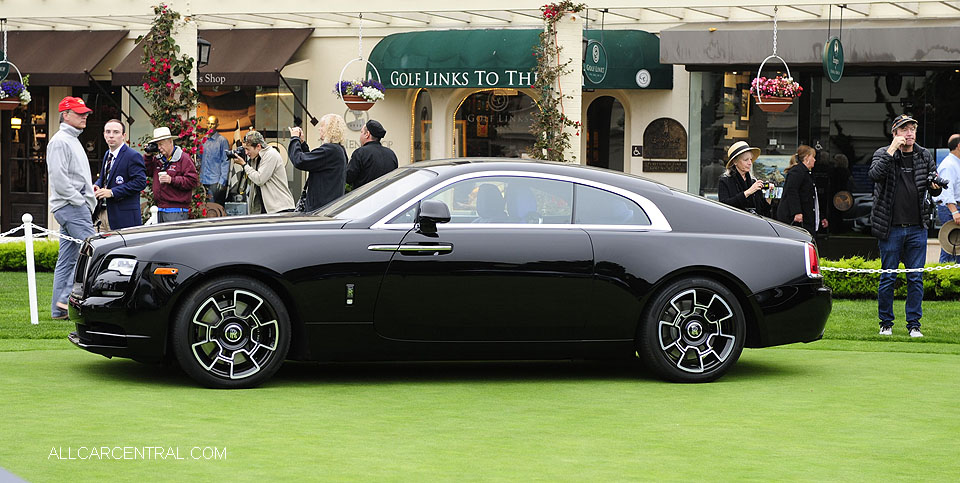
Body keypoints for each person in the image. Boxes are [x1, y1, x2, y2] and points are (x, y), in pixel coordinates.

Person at [869, 114, 942, 338]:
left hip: (917, 227)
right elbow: (875, 175)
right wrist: (891, 150)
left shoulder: (924, 155)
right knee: (888, 276)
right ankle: (886, 323)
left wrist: (935, 186)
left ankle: (914, 325)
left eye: (912, 129)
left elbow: (935, 188)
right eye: (904, 129)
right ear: (895, 134)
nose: (909, 133)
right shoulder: (883, 154)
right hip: (890, 227)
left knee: (915, 278)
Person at [47, 97, 96, 320]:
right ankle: (65, 300)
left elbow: (70, 177)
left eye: (84, 112)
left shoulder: (70, 139)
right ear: (65, 115)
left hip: (71, 205)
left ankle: (59, 310)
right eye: (79, 113)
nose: (84, 115)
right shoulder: (61, 141)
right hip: (72, 207)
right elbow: (59, 180)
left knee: (66, 260)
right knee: (93, 252)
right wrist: (81, 200)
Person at [93, 119, 146, 230]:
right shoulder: (107, 154)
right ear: (104, 134)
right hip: (102, 214)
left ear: (123, 136)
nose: (111, 136)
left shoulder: (133, 156)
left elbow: (140, 183)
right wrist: (97, 186)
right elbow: (104, 178)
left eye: (116, 132)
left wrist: (112, 192)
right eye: (108, 132)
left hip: (124, 217)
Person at [288, 114, 347, 211]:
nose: (319, 129)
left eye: (322, 126)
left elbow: (300, 161)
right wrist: (302, 143)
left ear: (329, 129)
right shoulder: (338, 150)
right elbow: (312, 162)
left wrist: (294, 139)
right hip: (327, 207)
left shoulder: (330, 150)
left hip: (319, 209)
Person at [143, 126, 199, 223]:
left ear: (170, 141)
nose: (159, 148)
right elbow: (147, 172)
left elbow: (193, 181)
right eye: (157, 145)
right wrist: (148, 156)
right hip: (160, 209)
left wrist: (171, 180)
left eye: (161, 144)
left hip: (176, 211)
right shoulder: (158, 159)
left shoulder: (184, 158)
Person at [232, 130, 295, 213]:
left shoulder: (271, 154)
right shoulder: (255, 157)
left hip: (280, 208)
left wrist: (244, 165)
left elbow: (259, 179)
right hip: (265, 209)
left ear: (258, 146)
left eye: (248, 149)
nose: (246, 153)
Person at [777, 145, 828, 236]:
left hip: (807, 216)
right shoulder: (797, 172)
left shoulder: (805, 173)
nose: (815, 160)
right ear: (807, 157)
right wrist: (796, 212)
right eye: (813, 157)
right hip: (800, 219)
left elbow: (812, 198)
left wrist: (821, 216)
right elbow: (792, 192)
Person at [718, 141, 771, 216]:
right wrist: (749, 192)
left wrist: (769, 197)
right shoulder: (725, 181)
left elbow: (762, 211)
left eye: (751, 159)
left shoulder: (753, 181)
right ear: (735, 162)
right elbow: (724, 205)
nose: (750, 163)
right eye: (746, 160)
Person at [346, 119, 398, 189]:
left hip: (364, 197)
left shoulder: (360, 153)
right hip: (387, 198)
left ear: (367, 134)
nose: (360, 136)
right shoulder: (391, 154)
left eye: (361, 132)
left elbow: (348, 178)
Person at [933, 134, 960, 263]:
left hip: (955, 208)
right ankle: (943, 279)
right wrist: (954, 211)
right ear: (959, 146)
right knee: (950, 246)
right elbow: (946, 191)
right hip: (951, 209)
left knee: (957, 247)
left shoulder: (956, 162)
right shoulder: (949, 164)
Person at [200, 116, 231, 204]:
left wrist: (222, 180)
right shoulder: (203, 140)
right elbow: (199, 159)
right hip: (203, 180)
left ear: (217, 125)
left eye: (213, 124)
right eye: (208, 123)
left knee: (213, 207)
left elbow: (225, 161)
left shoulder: (222, 141)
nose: (210, 126)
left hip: (215, 180)